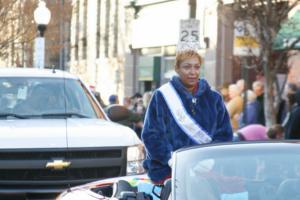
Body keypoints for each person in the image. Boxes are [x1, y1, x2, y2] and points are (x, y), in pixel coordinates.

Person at [141, 50, 233, 184]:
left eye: (196, 67)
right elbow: (151, 135)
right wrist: (173, 160)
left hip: (208, 172)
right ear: (177, 68)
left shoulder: (214, 98)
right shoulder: (162, 96)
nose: (193, 72)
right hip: (168, 172)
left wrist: (208, 161)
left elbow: (224, 135)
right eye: (187, 67)